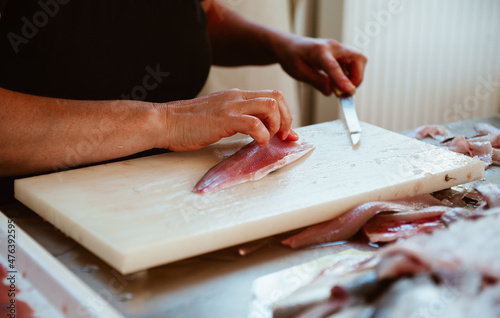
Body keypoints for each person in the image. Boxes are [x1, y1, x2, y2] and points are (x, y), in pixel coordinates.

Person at [0, 0, 367, 202]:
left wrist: (280, 44)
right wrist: (166, 121)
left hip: (164, 199)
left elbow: (193, 19)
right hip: (27, 220)